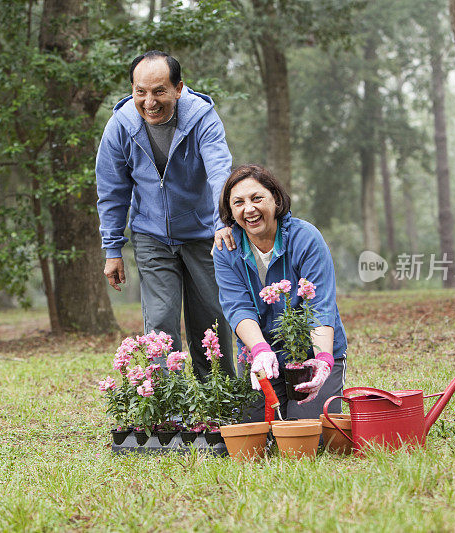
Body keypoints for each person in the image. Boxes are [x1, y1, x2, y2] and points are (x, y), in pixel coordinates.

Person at [95, 50, 235, 378]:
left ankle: (220, 402)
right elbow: (111, 192)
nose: (149, 101)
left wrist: (222, 224)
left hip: (204, 235)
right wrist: (112, 250)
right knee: (160, 321)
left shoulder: (201, 118)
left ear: (178, 88)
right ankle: (167, 407)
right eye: (140, 92)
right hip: (151, 235)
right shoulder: (120, 127)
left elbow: (220, 173)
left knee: (211, 321)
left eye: (159, 91)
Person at [213, 164, 347, 420]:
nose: (249, 209)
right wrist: (261, 351)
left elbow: (320, 305)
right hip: (261, 353)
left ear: (275, 199)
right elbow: (237, 307)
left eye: (257, 198)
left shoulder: (305, 238)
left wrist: (322, 359)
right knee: (257, 432)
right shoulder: (226, 249)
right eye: (238, 202)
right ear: (230, 212)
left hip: (308, 354)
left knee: (307, 434)